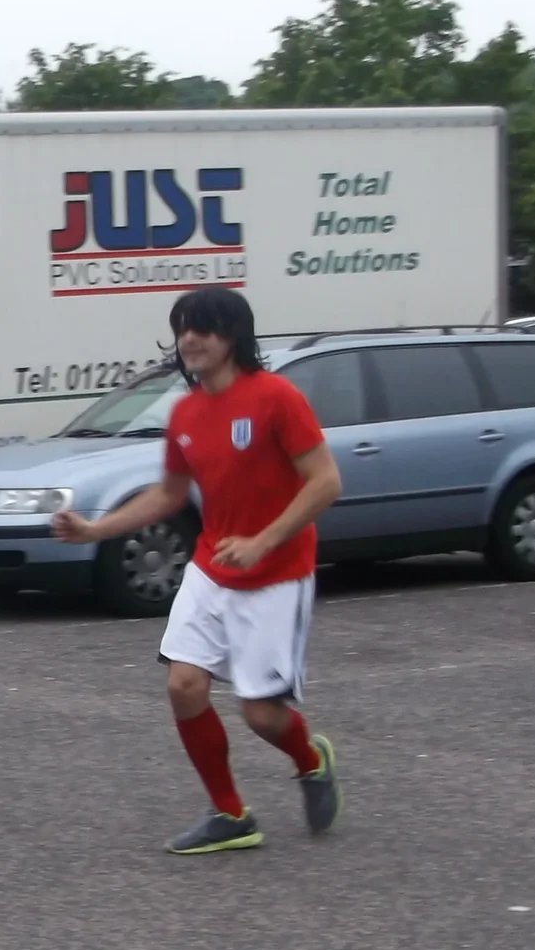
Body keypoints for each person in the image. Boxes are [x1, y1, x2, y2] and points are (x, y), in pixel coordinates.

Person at [52, 287, 345, 854]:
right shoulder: (184, 413)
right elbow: (167, 495)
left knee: (262, 715)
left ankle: (311, 760)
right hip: (212, 567)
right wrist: (93, 531)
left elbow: (326, 482)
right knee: (184, 686)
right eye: (183, 328)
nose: (189, 339)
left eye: (203, 328)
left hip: (277, 571)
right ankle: (232, 814)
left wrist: (263, 542)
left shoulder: (276, 398)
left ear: (231, 336)